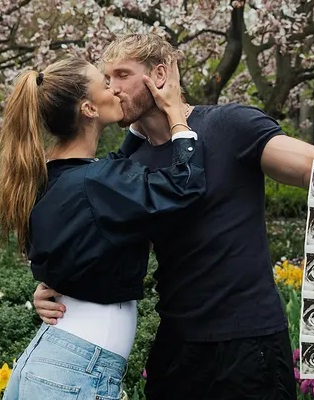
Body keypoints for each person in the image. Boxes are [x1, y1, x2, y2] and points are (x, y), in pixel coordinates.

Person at [34, 34, 314, 400]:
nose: (113, 88)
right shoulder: (129, 165)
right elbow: (93, 244)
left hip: (250, 344)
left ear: (159, 75)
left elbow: (306, 165)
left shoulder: (231, 124)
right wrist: (52, 284)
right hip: (176, 347)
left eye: (122, 74)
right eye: (107, 79)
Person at [0, 56, 206, 400]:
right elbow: (184, 186)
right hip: (75, 371)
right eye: (105, 84)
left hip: (49, 362)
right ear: (89, 109)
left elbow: (107, 186)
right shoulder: (97, 182)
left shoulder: (49, 176)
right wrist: (177, 118)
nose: (115, 89)